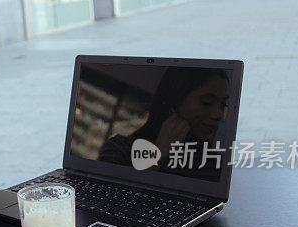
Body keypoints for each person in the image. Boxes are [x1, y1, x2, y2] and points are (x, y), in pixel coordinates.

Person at [98, 67, 230, 180]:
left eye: (223, 105)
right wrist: (158, 155)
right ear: (174, 102)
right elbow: (112, 200)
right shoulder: (120, 149)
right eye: (207, 102)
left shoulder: (215, 166)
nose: (218, 115)